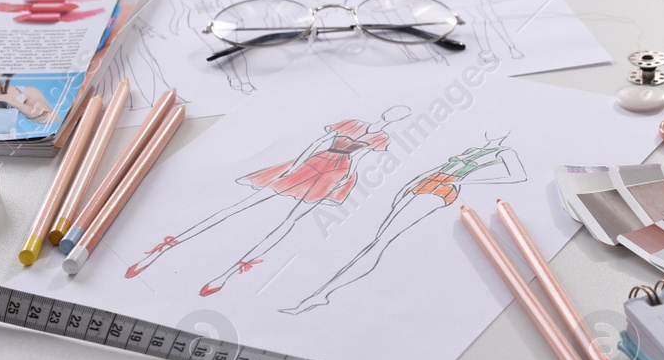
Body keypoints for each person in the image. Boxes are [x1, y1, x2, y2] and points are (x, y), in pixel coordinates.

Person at [126, 107, 410, 295]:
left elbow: (356, 160)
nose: (391, 118)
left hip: (337, 170)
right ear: (386, 112)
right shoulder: (354, 123)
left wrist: (342, 182)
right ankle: (161, 251)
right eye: (392, 114)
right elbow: (314, 144)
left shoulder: (380, 137)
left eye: (397, 117)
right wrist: (290, 167)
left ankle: (227, 274)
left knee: (290, 221)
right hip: (314, 162)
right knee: (239, 207)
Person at [283, 133, 525, 314]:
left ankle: (322, 294)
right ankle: (322, 293)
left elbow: (518, 176)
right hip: (422, 186)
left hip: (439, 191)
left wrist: (466, 184)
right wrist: (408, 186)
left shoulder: (504, 152)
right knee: (376, 239)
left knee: (380, 242)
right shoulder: (476, 147)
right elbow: (439, 168)